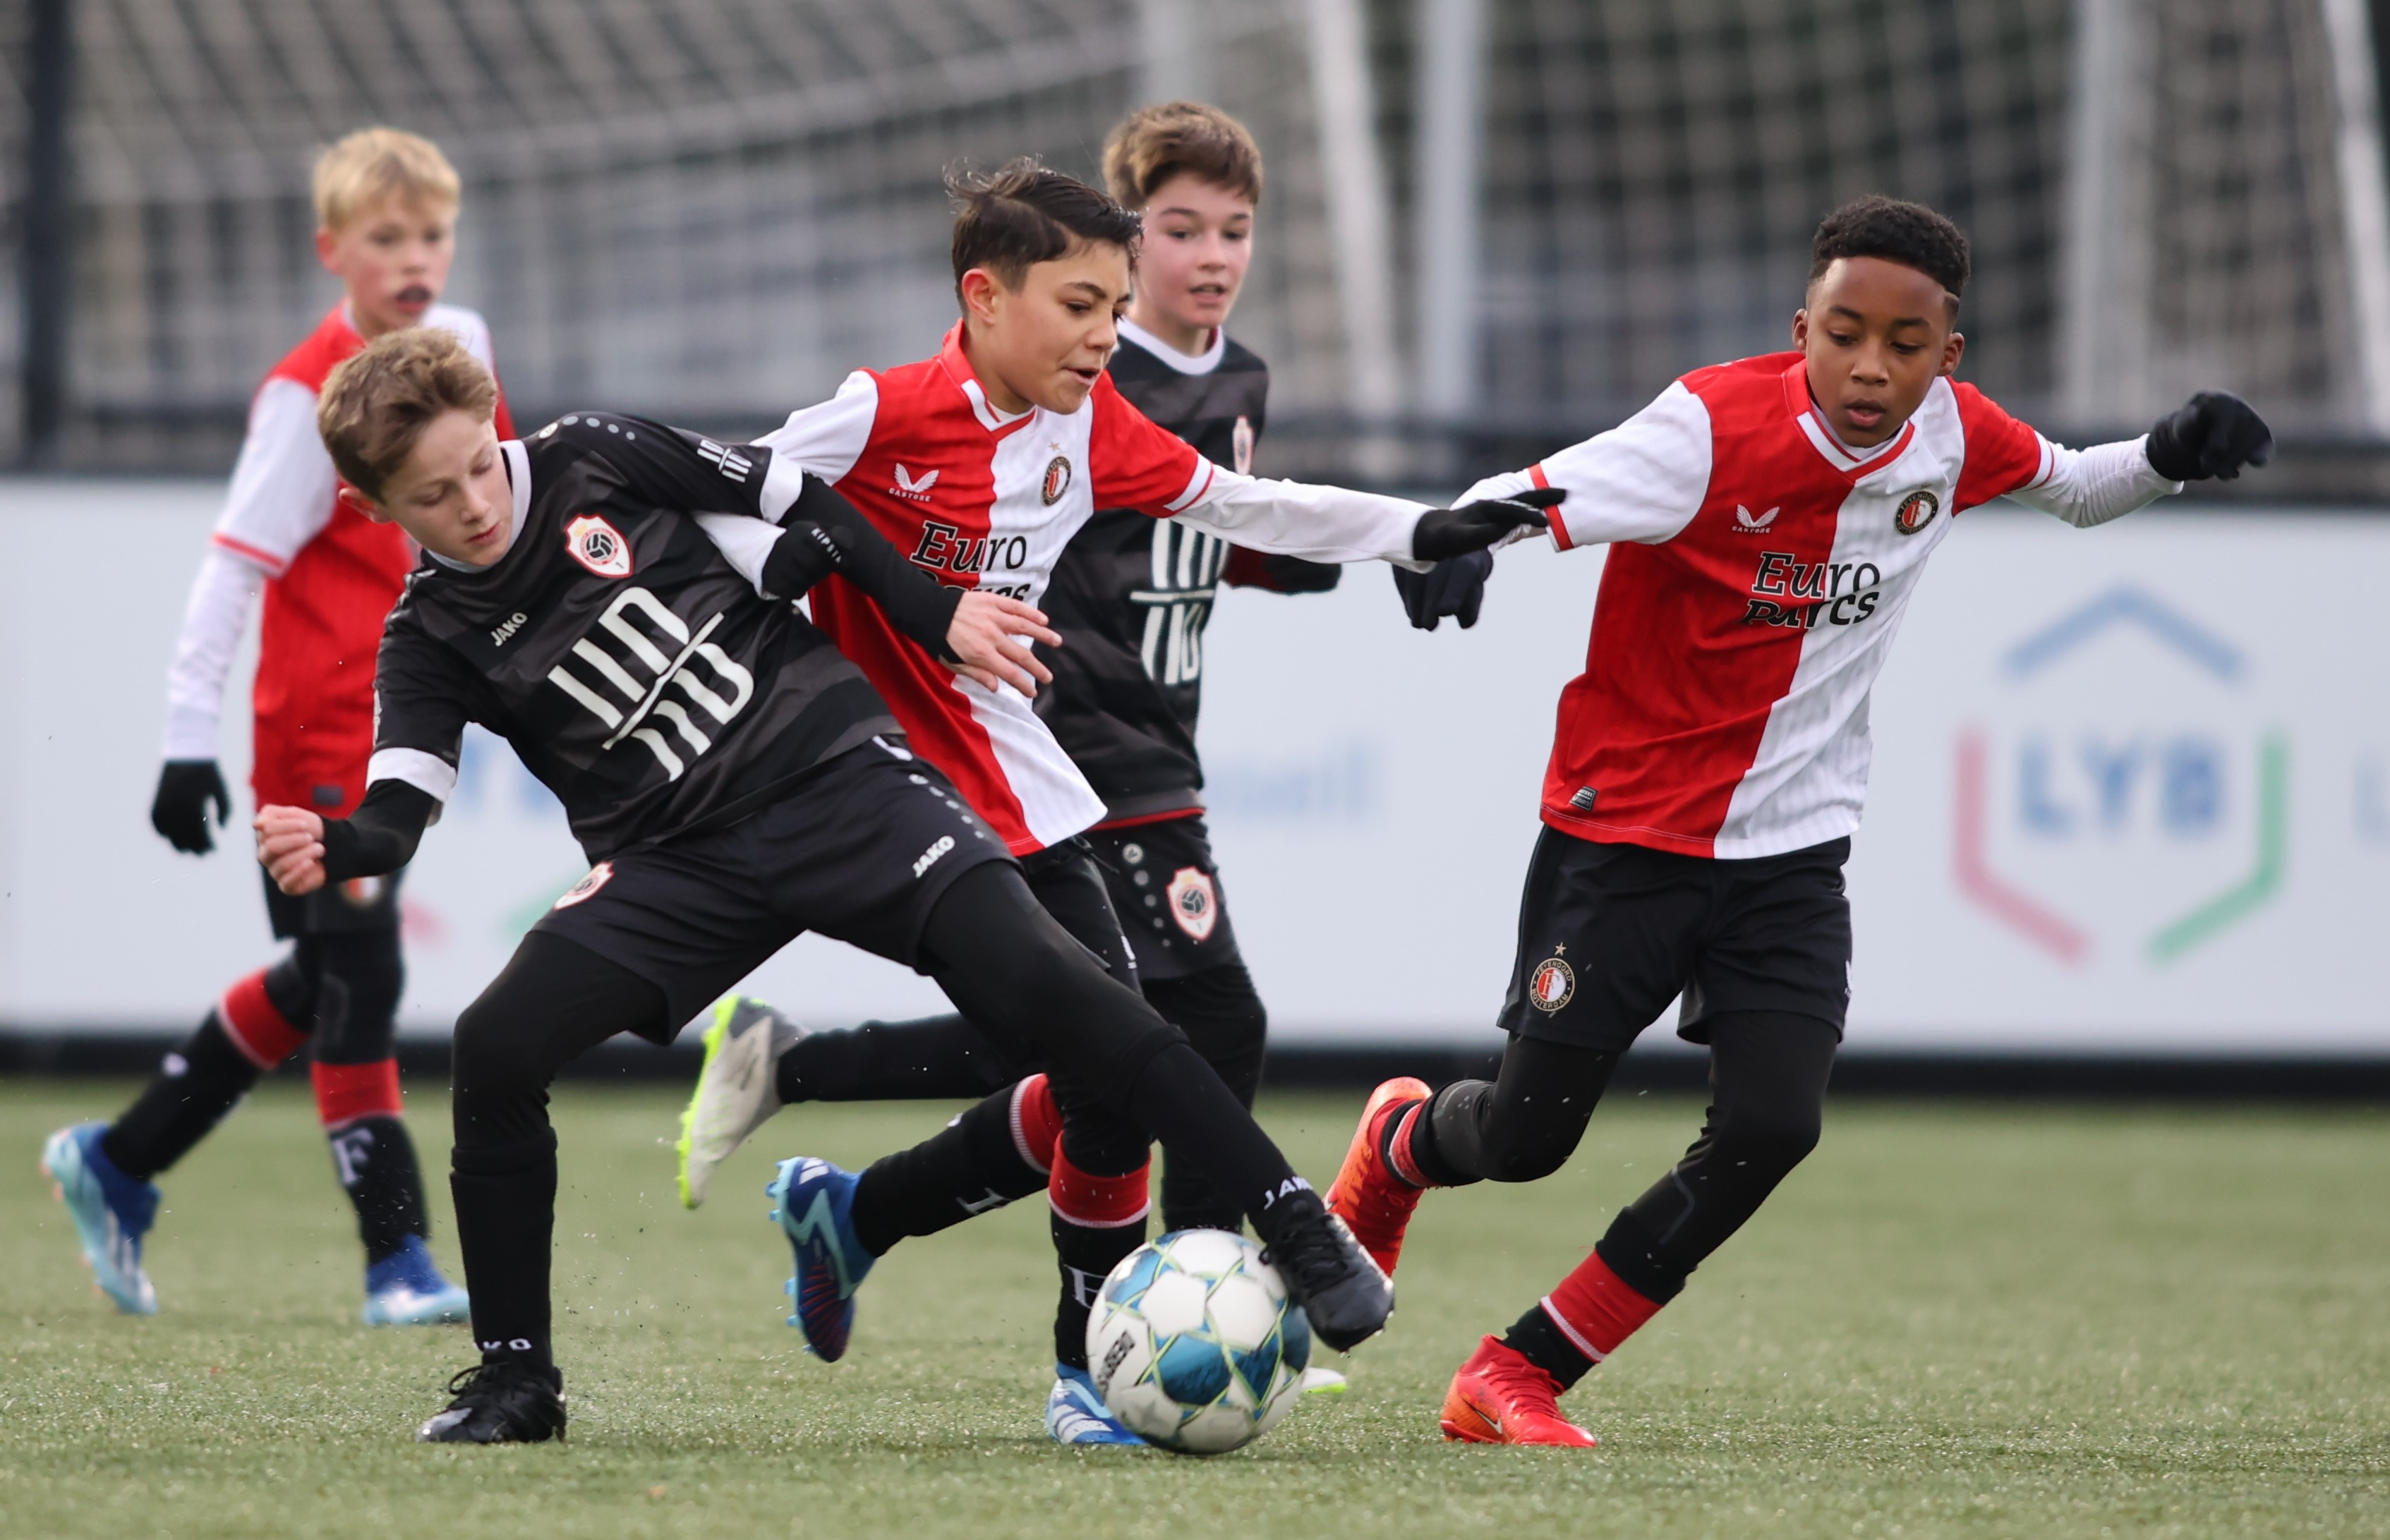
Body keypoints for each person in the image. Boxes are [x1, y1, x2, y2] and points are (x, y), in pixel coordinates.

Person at [255, 317, 1516, 1441]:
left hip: (834, 778)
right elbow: (402, 798)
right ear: (380, 512)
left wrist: (923, 607)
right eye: (433, 496)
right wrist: (343, 846)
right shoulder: (425, 635)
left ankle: (1294, 1223)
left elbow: (803, 493)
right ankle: (517, 1380)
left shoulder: (593, 451)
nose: (475, 503)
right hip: (675, 864)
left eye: (480, 463)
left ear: (502, 426)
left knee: (1059, 996)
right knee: (495, 1044)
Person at [1329, 196, 2275, 1447]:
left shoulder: (1955, 433)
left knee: (1776, 1124)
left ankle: (1519, 1371)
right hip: (1627, 838)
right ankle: (1401, 1146)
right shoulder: (1708, 426)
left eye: (1903, 341)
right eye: (1844, 333)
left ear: (1949, 353)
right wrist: (1455, 542)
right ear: (1802, 328)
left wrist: (2169, 448)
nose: (1870, 367)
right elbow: (1543, 487)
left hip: (1791, 853)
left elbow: (2077, 487)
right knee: (1522, 1142)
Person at [662, 157, 1550, 1436]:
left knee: (1109, 1060)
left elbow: (1250, 508)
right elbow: (723, 495)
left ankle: (867, 1213)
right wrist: (798, 564)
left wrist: (1427, 530)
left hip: (1022, 780)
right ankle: (1093, 1357)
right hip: (881, 787)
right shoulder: (882, 409)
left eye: (1113, 303)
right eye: (1082, 304)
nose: (1104, 333)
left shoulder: (1094, 428)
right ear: (983, 298)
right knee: (1127, 1049)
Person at [42, 128, 507, 1326]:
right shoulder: (306, 398)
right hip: (314, 732)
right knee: (360, 971)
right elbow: (232, 570)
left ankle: (121, 1162)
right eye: (386, 238)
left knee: (317, 976)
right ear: (332, 252)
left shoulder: (463, 350)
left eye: (432, 234)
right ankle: (396, 1261)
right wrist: (185, 737)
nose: (414, 259)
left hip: (395, 717)